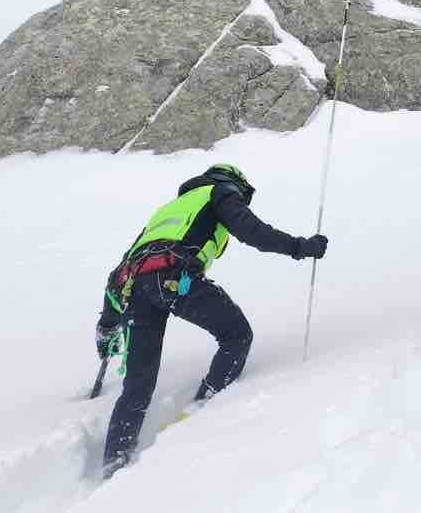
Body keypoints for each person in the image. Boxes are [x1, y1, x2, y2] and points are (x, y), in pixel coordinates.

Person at [93, 164, 327, 474]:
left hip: (135, 289)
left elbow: (120, 273)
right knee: (236, 335)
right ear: (233, 183)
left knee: (137, 386)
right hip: (174, 278)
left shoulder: (166, 212)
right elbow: (252, 231)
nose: (241, 201)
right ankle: (202, 410)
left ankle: (115, 462)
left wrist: (108, 326)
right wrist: (301, 247)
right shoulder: (219, 192)